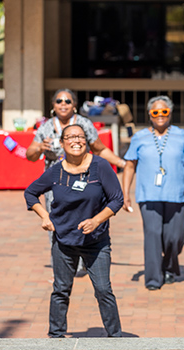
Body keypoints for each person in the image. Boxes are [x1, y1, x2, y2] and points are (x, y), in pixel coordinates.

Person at [24, 123, 123, 338]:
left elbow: (117, 200)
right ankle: (56, 335)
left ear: (86, 141)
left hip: (96, 241)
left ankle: (116, 337)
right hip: (63, 241)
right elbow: (31, 193)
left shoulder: (100, 166)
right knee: (61, 289)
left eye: (80, 137)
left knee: (103, 289)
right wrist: (45, 216)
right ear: (62, 143)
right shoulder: (56, 171)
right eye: (70, 137)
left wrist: (96, 220)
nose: (75, 141)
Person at [26, 89, 127, 275]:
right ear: (53, 105)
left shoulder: (83, 124)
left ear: (74, 105)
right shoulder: (46, 127)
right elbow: (30, 155)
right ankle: (62, 263)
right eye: (59, 101)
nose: (63, 104)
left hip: (85, 181)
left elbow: (99, 149)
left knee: (84, 217)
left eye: (67, 101)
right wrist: (40, 147)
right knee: (57, 222)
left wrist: (122, 163)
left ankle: (84, 261)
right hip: (56, 185)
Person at [122, 96, 184, 291]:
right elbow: (129, 166)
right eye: (155, 112)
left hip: (178, 194)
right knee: (153, 235)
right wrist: (125, 193)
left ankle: (168, 266)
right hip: (148, 195)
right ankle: (153, 278)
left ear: (170, 113)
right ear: (149, 114)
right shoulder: (139, 137)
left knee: (175, 237)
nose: (160, 116)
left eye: (164, 111)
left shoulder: (181, 135)